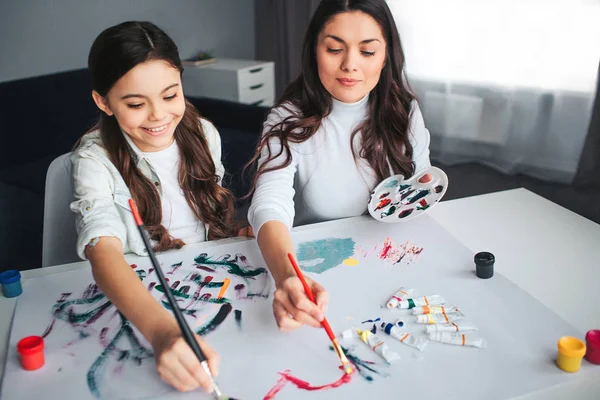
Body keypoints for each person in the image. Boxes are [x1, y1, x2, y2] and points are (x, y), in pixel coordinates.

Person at [71, 21, 236, 393]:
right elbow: (103, 250)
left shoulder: (205, 135)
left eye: (170, 94)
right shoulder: (93, 161)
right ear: (103, 101)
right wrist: (162, 332)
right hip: (139, 301)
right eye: (135, 104)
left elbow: (209, 218)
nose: (159, 115)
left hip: (207, 287)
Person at [246, 0, 432, 332]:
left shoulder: (406, 112)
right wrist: (288, 276)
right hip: (320, 272)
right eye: (334, 49)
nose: (350, 65)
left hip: (392, 268)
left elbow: (417, 194)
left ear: (387, 54)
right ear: (314, 50)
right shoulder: (288, 120)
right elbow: (269, 203)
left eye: (367, 52)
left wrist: (422, 190)